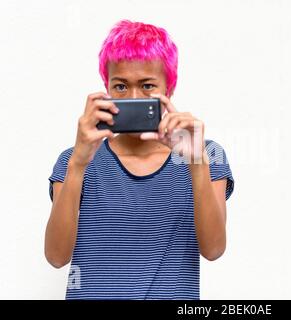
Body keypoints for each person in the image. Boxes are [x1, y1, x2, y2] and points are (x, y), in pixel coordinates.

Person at [45, 19, 234, 300]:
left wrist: (196, 164)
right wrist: (78, 165)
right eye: (121, 87)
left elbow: (214, 249)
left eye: (147, 86)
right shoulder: (76, 159)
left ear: (169, 88)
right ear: (107, 89)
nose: (134, 98)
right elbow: (56, 257)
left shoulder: (205, 154)